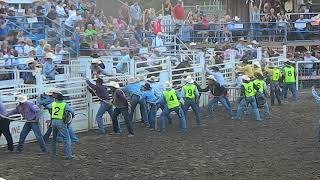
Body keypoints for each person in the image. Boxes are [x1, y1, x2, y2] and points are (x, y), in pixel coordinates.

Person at [45, 91, 74, 160]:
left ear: (56, 98)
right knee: (66, 138)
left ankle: (53, 154)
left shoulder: (53, 103)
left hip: (53, 122)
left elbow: (47, 106)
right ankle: (68, 155)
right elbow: (72, 112)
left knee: (54, 138)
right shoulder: (64, 104)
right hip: (61, 121)